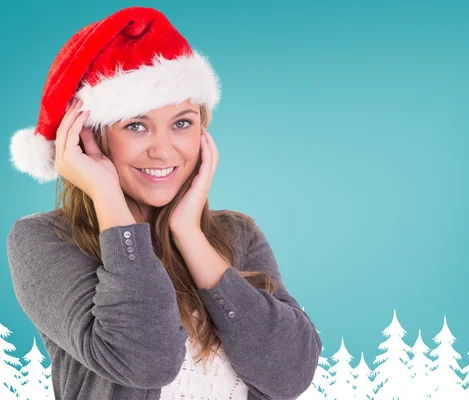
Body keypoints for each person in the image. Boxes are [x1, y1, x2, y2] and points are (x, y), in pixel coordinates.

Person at [6, 6, 321, 400]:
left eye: (182, 123)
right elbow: (144, 360)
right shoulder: (43, 240)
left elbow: (291, 373)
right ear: (89, 138)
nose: (163, 149)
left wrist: (189, 235)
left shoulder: (236, 234)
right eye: (136, 126)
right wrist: (108, 200)